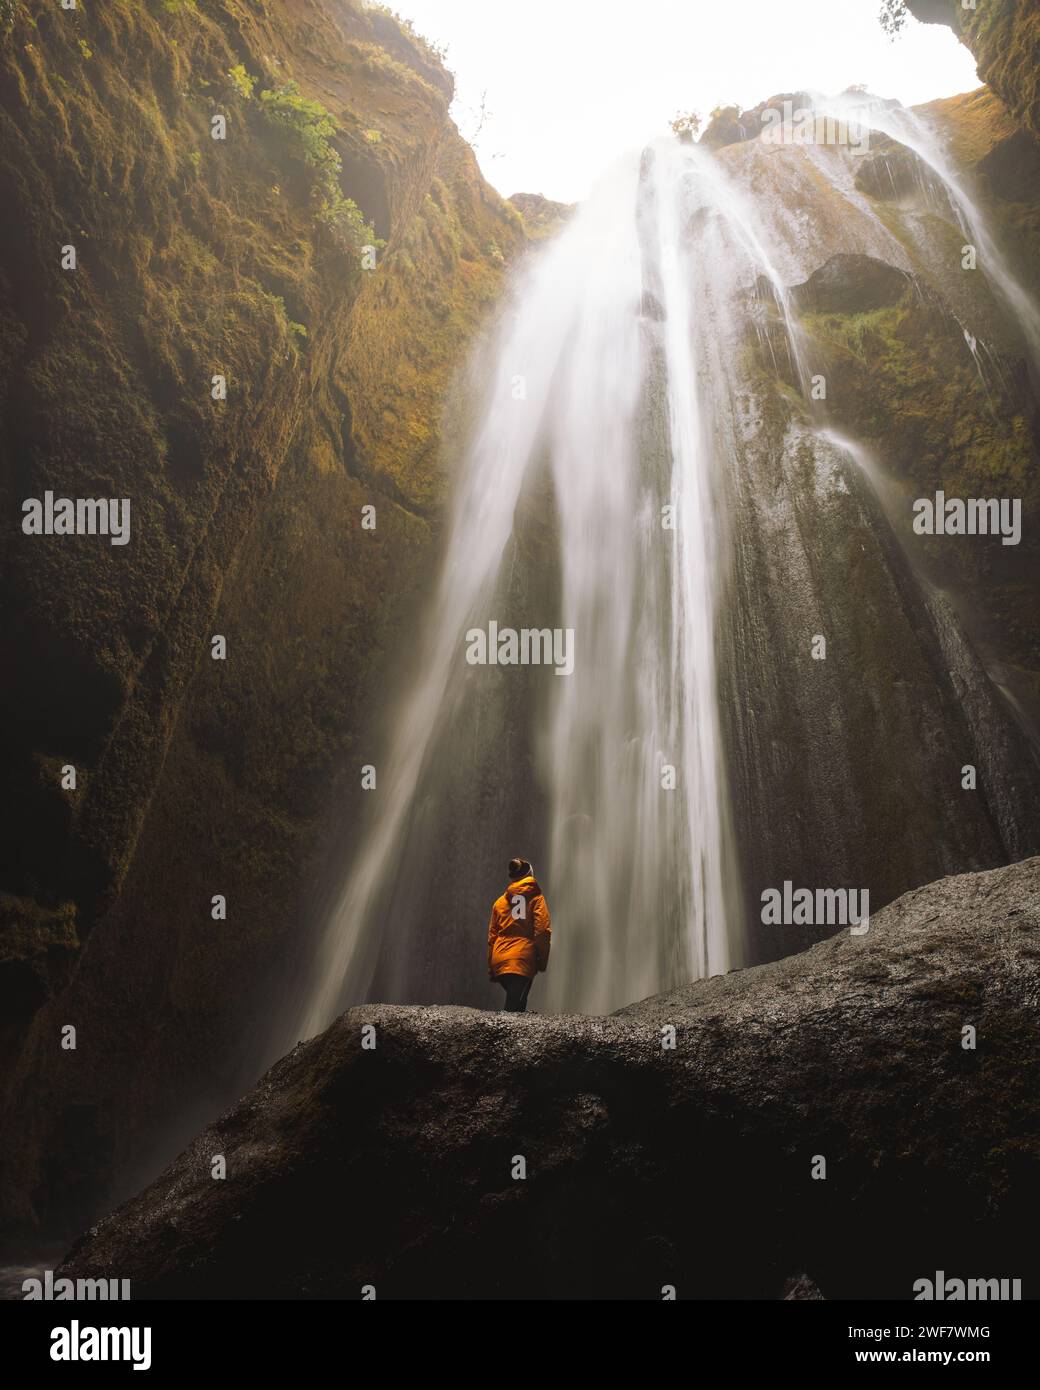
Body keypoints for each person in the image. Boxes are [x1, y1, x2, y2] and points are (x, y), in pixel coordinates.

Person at [487, 857, 551, 1011]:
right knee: (514, 1006)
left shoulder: (499, 902)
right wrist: (542, 961)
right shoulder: (536, 899)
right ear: (530, 876)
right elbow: (542, 931)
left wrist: (491, 966)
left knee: (517, 1002)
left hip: (500, 959)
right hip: (522, 959)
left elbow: (492, 937)